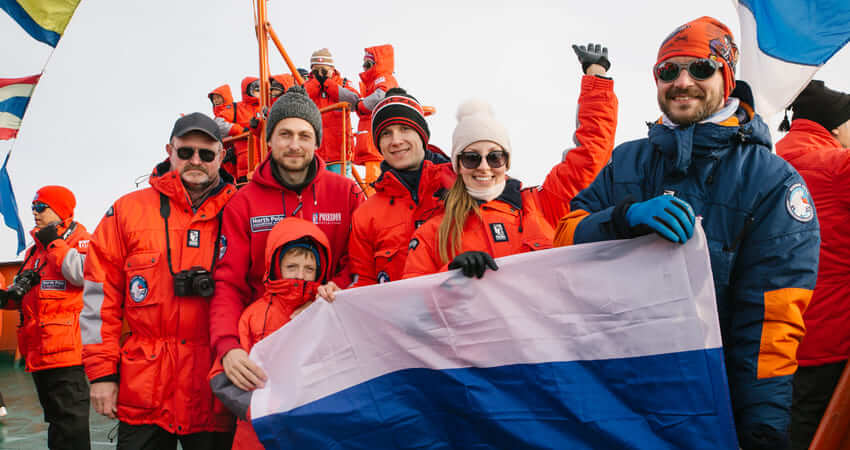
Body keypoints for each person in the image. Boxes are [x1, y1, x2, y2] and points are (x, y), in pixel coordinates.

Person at [553, 17, 819, 450]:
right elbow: (562, 241)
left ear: (727, 79)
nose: (682, 82)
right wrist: (622, 218)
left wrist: (763, 431)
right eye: (668, 70)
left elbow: (772, 323)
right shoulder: (627, 162)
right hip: (616, 401)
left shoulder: (772, 181)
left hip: (711, 407)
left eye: (700, 69)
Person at [81, 113, 236, 449]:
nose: (196, 160)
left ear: (221, 156)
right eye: (186, 152)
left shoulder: (240, 211)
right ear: (169, 151)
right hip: (145, 392)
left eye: (206, 153)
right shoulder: (126, 212)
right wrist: (102, 374)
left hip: (215, 389)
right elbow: (100, 300)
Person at [402, 45, 617, 279]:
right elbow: (413, 295)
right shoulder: (432, 233)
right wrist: (450, 275)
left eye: (495, 157)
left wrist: (597, 78)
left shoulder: (543, 204)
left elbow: (591, 156)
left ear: (506, 162)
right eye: (472, 158)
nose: (484, 167)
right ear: (458, 165)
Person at [210, 85, 363, 394]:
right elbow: (228, 282)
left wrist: (329, 296)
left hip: (331, 344)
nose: (294, 145)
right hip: (266, 348)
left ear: (317, 142)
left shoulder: (346, 193)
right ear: (269, 140)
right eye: (285, 134)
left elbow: (360, 266)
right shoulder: (244, 203)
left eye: (304, 136)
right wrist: (228, 346)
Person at [210, 217, 335, 450]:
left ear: (320, 270)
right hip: (258, 436)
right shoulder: (253, 315)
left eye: (309, 269)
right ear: (276, 266)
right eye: (292, 267)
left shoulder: (328, 311)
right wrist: (261, 412)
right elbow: (222, 378)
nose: (300, 275)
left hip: (312, 434)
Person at [774, 80, 850, 450]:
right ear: (834, 127)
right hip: (831, 341)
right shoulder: (838, 166)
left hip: (772, 341)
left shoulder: (766, 164)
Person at [0, 186, 91, 450]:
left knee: (71, 428)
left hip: (67, 355)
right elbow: (25, 294)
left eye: (41, 207)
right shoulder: (34, 251)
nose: (35, 213)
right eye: (33, 207)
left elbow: (83, 274)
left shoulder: (81, 241)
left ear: (61, 210)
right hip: (39, 353)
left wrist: (54, 243)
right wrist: (6, 298)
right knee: (57, 425)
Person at [303, 48, 360, 177]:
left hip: (340, 153)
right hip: (315, 155)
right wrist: (316, 84)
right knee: (318, 188)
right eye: (316, 70)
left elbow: (354, 102)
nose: (320, 74)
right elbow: (298, 101)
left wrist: (328, 84)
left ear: (332, 69)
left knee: (342, 187)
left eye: (324, 70)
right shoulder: (307, 86)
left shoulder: (343, 83)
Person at [354, 44, 399, 185]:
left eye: (368, 64)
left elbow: (381, 95)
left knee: (375, 181)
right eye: (364, 64)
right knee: (372, 180)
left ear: (377, 64)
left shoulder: (383, 79)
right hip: (371, 140)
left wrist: (361, 105)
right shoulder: (373, 83)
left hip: (375, 142)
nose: (364, 68)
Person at [208, 84, 244, 178]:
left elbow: (220, 125)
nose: (215, 101)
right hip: (227, 151)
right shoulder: (220, 114)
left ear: (225, 97)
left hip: (233, 149)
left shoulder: (229, 110)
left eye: (218, 98)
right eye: (214, 99)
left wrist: (240, 130)